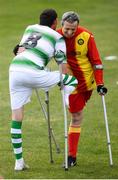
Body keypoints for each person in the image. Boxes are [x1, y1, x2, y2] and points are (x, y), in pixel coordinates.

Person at [9, 9, 77, 171]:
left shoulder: (29, 28)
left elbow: (20, 49)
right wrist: (63, 82)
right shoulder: (57, 37)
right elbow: (62, 66)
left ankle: (19, 162)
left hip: (15, 70)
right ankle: (67, 99)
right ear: (55, 22)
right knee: (71, 80)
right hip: (33, 72)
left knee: (16, 117)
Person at [57, 11, 107, 167]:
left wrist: (100, 83)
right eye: (67, 29)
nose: (70, 32)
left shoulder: (86, 36)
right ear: (61, 25)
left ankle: (71, 156)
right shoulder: (56, 36)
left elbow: (96, 61)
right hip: (71, 85)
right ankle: (71, 156)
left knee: (77, 115)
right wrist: (21, 48)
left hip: (88, 83)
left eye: (73, 29)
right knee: (77, 116)